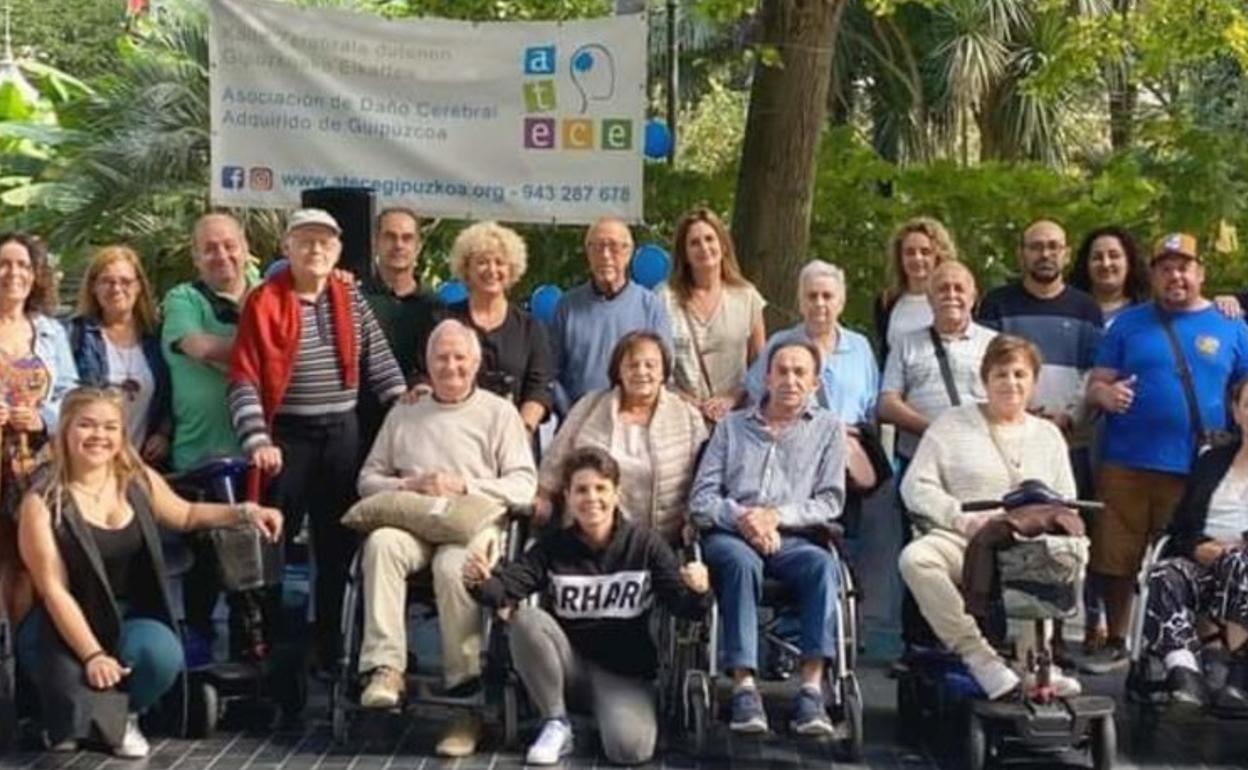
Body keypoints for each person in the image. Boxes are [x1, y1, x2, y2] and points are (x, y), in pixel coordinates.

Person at [16, 387, 281, 757]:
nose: (98, 435)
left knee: (160, 654)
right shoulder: (42, 500)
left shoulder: (136, 479)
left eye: (110, 427)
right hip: (60, 626)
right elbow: (54, 590)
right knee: (66, 739)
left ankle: (120, 716)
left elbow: (186, 514)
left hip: (126, 614)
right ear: (65, 431)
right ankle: (82, 718)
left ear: (122, 435)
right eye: (86, 425)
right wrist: (93, 655)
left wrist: (246, 512)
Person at [228, 208, 406, 668]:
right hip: (285, 438)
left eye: (325, 242)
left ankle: (332, 648)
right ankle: (267, 652)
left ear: (338, 250)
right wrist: (257, 440)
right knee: (272, 543)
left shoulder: (350, 297)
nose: (316, 250)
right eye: (305, 241)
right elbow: (243, 378)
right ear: (287, 248)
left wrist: (410, 409)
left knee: (338, 546)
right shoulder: (263, 301)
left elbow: (380, 364)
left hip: (342, 435)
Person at [355, 319, 536, 757]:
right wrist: (408, 485)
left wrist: (465, 485)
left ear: (475, 363)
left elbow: (524, 486)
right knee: (381, 544)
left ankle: (464, 688)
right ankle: (385, 669)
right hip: (414, 522)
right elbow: (367, 480)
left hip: (472, 525)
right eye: (441, 358)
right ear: (427, 362)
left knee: (453, 565)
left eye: (459, 358)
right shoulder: (405, 411)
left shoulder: (499, 413)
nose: (451, 366)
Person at [464, 447, 710, 765]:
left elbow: (684, 606)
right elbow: (506, 589)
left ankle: (602, 717)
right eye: (581, 490)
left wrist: (699, 590)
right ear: (567, 496)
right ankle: (556, 722)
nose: (591, 498)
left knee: (630, 750)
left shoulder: (645, 544)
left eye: (600, 488)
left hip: (624, 674)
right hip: (566, 666)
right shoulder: (553, 546)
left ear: (616, 494)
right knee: (526, 620)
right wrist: (481, 582)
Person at [1084, 232, 1248, 673]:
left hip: (1196, 468)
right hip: (1126, 460)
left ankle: (1195, 648)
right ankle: (1116, 640)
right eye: (1166, 268)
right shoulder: (1128, 324)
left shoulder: (1231, 325)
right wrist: (1105, 394)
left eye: (1184, 267)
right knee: (1116, 557)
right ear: (1153, 275)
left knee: (1185, 557)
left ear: (1201, 273)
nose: (1175, 276)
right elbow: (1096, 383)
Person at [899, 334, 1079, 699]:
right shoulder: (950, 425)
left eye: (1019, 374)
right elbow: (916, 486)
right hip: (966, 538)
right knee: (916, 559)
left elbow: (1068, 502)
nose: (1010, 383)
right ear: (985, 380)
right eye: (1001, 374)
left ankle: (1036, 663)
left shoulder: (1049, 436)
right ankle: (979, 658)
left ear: (1033, 382)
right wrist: (960, 518)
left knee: (1059, 554)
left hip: (1028, 542)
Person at [689, 340, 847, 736]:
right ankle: (744, 686)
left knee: (823, 566)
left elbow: (831, 501)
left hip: (794, 538)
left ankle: (811, 689)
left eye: (800, 373)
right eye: (782, 371)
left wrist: (776, 517)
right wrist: (745, 518)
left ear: (815, 383)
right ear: (766, 377)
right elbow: (702, 499)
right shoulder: (731, 427)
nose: (790, 380)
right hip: (732, 535)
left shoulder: (828, 428)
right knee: (741, 563)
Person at [161, 213, 260, 655]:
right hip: (200, 461)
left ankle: (251, 657)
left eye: (229, 245)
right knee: (203, 569)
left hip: (259, 457)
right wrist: (268, 352)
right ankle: (197, 660)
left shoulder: (268, 291)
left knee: (255, 575)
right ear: (196, 257)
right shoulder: (183, 299)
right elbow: (200, 347)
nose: (222, 255)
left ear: (245, 248)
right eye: (210, 248)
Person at [535, 331, 707, 542]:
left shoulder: (687, 416)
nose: (641, 371)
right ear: (618, 371)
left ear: (664, 372)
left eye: (650, 365)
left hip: (661, 541)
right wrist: (543, 496)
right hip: (590, 537)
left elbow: (703, 480)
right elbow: (555, 461)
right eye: (632, 365)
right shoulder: (590, 406)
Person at [1140, 377, 1248, 709]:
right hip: (1204, 561)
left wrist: (1234, 549)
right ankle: (1185, 673)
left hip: (1242, 565)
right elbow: (1181, 524)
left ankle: (1239, 672)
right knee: (1164, 573)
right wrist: (1197, 546)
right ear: (1236, 411)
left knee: (1237, 562)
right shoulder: (1212, 461)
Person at [976, 220, 1103, 498]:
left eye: (1053, 247)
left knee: (1067, 515)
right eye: (1036, 247)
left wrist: (1069, 417)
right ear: (1021, 254)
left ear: (1066, 254)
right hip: (1008, 438)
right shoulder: (997, 303)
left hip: (1071, 442)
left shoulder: (1087, 307)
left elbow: (1093, 372)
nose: (1045, 254)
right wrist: (1021, 412)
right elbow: (986, 366)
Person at [0, 233, 78, 628]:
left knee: (27, 563)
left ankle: (19, 653)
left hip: (34, 466)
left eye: (23, 265)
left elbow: (71, 393)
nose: (13, 273)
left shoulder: (50, 331)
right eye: (4, 263)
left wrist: (43, 417)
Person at [879, 261, 996, 471]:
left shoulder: (994, 345)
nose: (951, 295)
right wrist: (932, 430)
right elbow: (887, 403)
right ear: (930, 298)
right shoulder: (905, 344)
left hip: (980, 459)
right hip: (919, 459)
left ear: (973, 298)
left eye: (959, 289)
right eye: (943, 289)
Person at [438, 221, 553, 431]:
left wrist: (522, 430)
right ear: (466, 268)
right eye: (482, 262)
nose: (492, 270)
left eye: (500, 262)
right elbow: (425, 375)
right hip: (456, 435)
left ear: (512, 270)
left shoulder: (531, 327)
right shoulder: (444, 322)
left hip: (516, 434)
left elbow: (540, 388)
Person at [549, 217, 672, 412]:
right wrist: (571, 413)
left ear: (628, 252)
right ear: (588, 253)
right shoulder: (567, 306)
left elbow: (664, 370)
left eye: (614, 247)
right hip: (579, 419)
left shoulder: (651, 307)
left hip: (637, 420)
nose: (606, 255)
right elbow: (552, 372)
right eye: (598, 247)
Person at [655, 207, 765, 423]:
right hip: (679, 418)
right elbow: (654, 365)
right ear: (684, 253)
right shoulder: (664, 298)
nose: (704, 247)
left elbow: (760, 364)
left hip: (735, 420)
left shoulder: (747, 297)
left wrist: (732, 398)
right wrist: (691, 403)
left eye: (709, 239)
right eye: (694, 243)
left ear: (723, 244)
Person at [68, 246, 171, 465]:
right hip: (91, 462)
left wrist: (164, 434)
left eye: (125, 281)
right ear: (93, 287)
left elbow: (172, 394)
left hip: (142, 463)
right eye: (107, 281)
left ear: (139, 287)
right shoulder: (76, 336)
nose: (116, 288)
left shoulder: (157, 337)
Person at [744, 259, 877, 425]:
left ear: (841, 303)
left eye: (827, 296)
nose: (819, 303)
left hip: (851, 437)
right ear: (801, 303)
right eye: (812, 296)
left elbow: (873, 406)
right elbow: (755, 397)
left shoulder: (860, 347)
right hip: (793, 438)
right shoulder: (780, 344)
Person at [359, 208, 441, 448]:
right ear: (375, 242)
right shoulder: (355, 299)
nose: (399, 245)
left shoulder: (436, 307)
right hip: (362, 427)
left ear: (418, 246)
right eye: (390, 236)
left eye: (407, 238)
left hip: (420, 426)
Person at [873, 217, 957, 365]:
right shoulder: (887, 302)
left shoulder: (953, 299)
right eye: (909, 252)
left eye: (925, 252)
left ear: (938, 256)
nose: (917, 258)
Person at [1069, 226, 1149, 327]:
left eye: (1114, 256)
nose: (1106, 264)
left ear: (1129, 262)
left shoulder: (1149, 313)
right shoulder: (1068, 310)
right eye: (1097, 257)